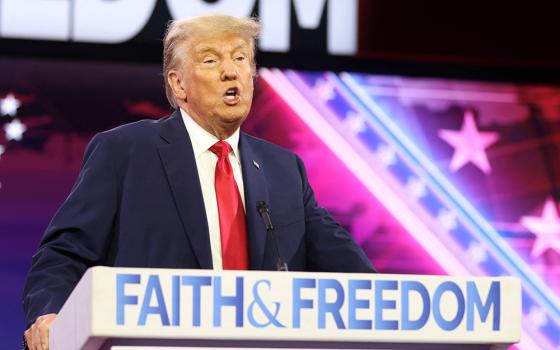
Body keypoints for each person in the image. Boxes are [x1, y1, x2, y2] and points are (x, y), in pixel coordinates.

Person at [22, 14, 375, 349]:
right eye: (210, 61)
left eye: (240, 58)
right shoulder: (126, 152)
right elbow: (64, 252)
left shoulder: (284, 169)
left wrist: (386, 303)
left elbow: (349, 267)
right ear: (178, 84)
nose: (230, 71)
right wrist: (50, 314)